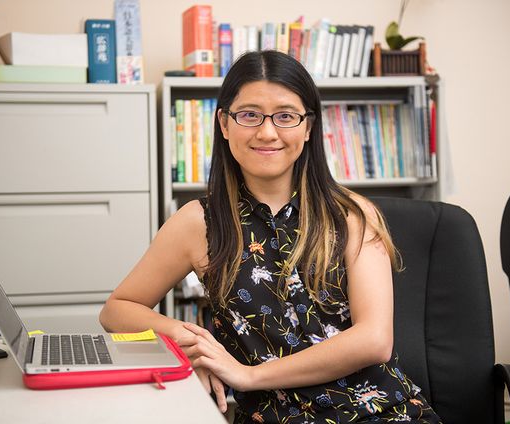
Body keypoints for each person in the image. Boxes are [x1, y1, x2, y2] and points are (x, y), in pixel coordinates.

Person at [100, 50, 441, 423]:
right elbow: (117, 309)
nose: (267, 132)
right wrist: (198, 344)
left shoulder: (352, 215)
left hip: (379, 412)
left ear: (308, 127)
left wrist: (248, 375)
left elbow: (374, 340)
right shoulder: (199, 222)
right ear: (224, 124)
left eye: (285, 116)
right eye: (249, 115)